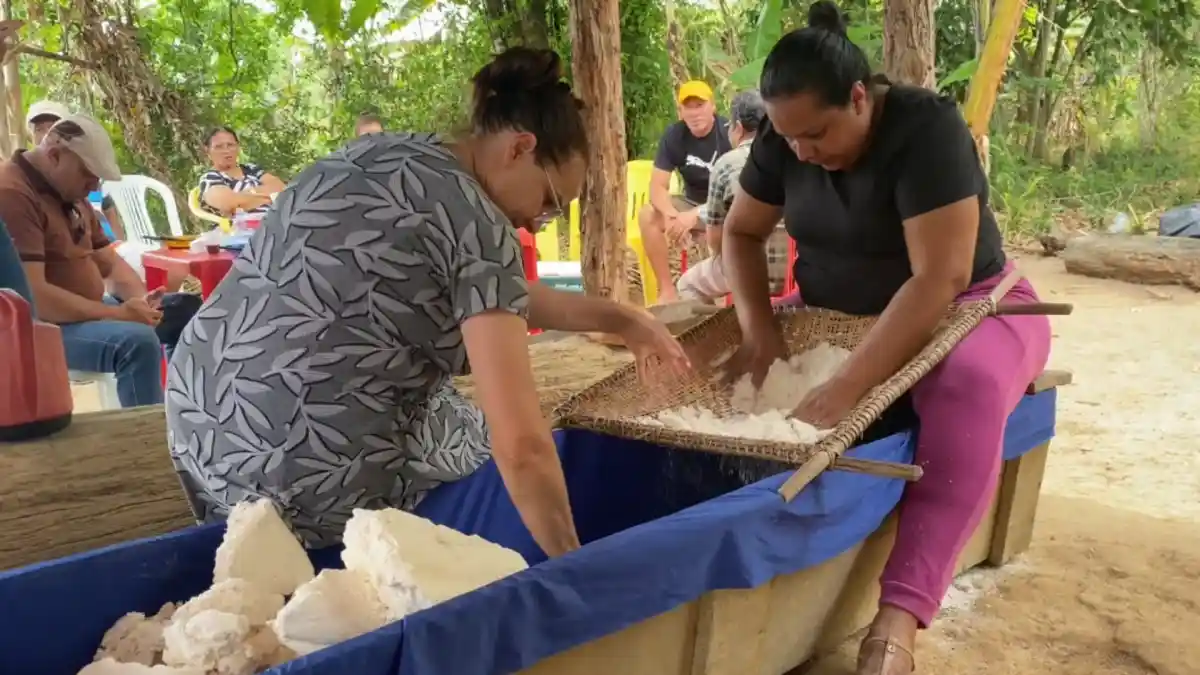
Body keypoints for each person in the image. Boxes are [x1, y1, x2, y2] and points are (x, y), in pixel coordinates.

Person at [166, 47, 690, 556]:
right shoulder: (481, 224)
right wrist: (573, 565)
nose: (536, 221)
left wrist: (621, 316)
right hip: (295, 459)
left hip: (201, 421)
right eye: (550, 202)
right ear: (520, 147)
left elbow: (497, 292)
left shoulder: (378, 151)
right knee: (480, 444)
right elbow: (522, 447)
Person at [721, 4, 1052, 674]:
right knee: (719, 369)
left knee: (965, 387)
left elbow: (941, 277)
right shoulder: (784, 137)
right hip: (832, 313)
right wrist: (760, 334)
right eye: (789, 141)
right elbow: (740, 233)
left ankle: (898, 616)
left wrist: (846, 385)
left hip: (970, 308)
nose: (803, 152)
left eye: (816, 133)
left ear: (859, 97)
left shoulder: (926, 128)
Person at [0, 114, 201, 407]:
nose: (94, 187)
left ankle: (185, 416)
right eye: (88, 174)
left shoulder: (69, 190)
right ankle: (145, 445)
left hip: (87, 311)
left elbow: (110, 265)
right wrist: (120, 315)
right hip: (37, 329)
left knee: (186, 312)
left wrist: (141, 301)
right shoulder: (13, 194)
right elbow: (35, 299)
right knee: (138, 343)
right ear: (55, 156)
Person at [639, 80, 732, 303]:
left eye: (699, 105)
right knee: (647, 215)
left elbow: (739, 191)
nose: (694, 113)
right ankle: (667, 291)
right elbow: (657, 186)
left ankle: (730, 293)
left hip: (724, 208)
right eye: (688, 107)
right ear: (680, 112)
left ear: (713, 106)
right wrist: (671, 216)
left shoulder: (729, 132)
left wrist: (696, 215)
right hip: (688, 203)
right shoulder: (674, 135)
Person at [675, 89, 766, 302]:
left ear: (739, 128)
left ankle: (716, 333)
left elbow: (716, 240)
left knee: (687, 286)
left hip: (746, 268)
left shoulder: (727, 164)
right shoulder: (795, 155)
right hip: (793, 268)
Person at [27, 101, 126, 240]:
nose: (46, 135)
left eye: (52, 127)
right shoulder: (24, 189)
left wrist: (119, 246)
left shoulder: (91, 179)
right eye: (39, 129)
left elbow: (110, 217)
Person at [197, 126, 286, 217]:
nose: (226, 151)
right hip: (245, 228)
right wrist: (270, 196)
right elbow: (228, 203)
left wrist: (248, 194)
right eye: (219, 147)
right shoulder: (210, 178)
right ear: (207, 151)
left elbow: (281, 188)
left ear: (238, 147)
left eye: (230, 145)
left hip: (279, 219)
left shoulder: (251, 169)